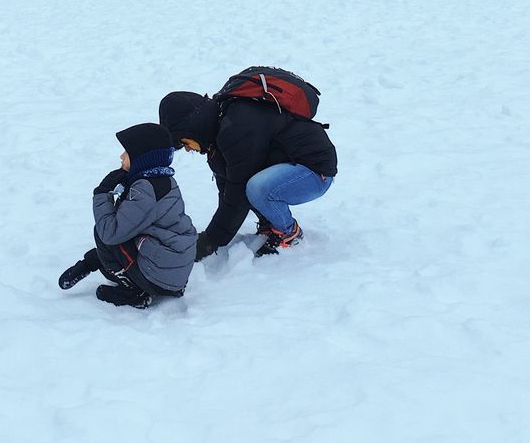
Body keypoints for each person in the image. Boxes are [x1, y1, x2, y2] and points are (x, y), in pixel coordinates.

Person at [159, 78, 337, 260]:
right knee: (249, 185)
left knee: (256, 188)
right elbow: (229, 192)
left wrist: (209, 241)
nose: (188, 148)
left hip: (314, 170)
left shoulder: (235, 129)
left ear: (192, 127)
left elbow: (237, 195)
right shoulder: (217, 137)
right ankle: (270, 224)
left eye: (184, 141)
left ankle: (289, 233)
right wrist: (214, 236)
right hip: (291, 165)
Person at [58, 123, 196, 310]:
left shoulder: (145, 190)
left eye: (127, 152)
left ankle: (134, 292)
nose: (121, 156)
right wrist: (89, 263)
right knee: (115, 233)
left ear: (142, 159)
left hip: (162, 276)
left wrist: (102, 193)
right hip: (172, 269)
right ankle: (142, 282)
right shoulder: (162, 180)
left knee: (103, 231)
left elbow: (111, 233)